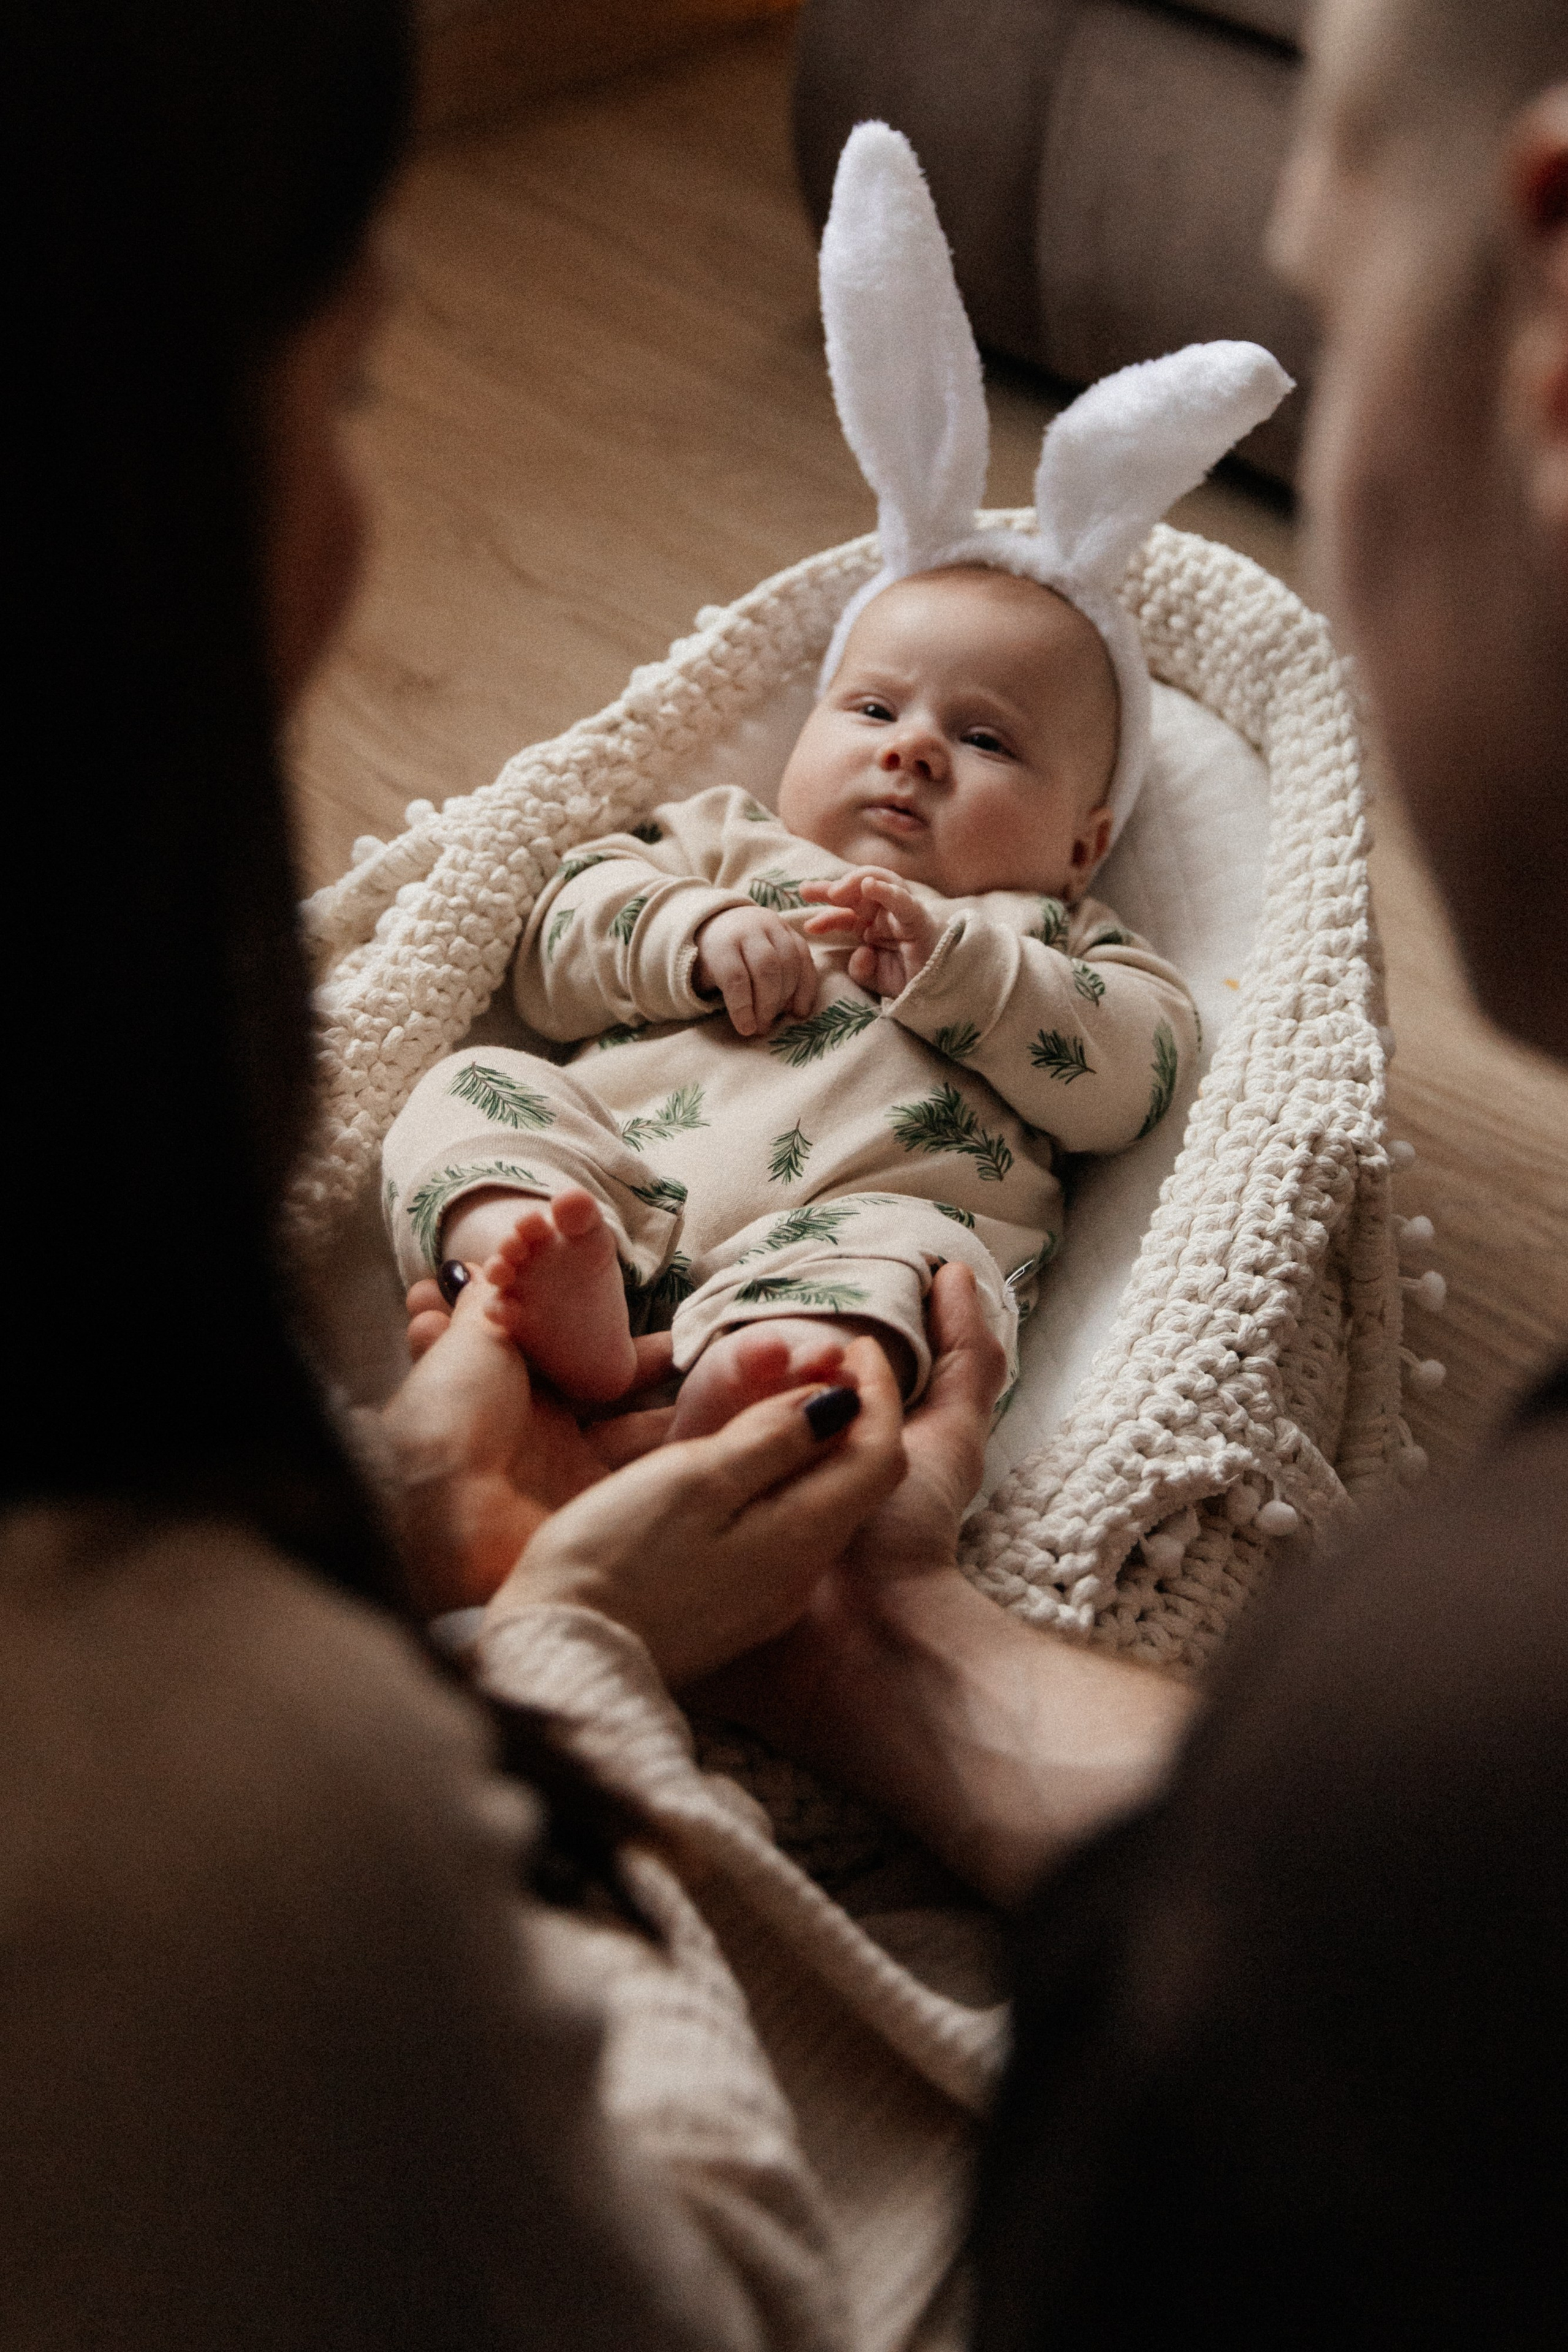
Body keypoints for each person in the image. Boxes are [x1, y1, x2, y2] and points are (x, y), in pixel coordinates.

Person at [380, 562, 1197, 1440]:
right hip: (611, 1180)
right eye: (876, 710)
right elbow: (553, 950)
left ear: (1085, 843)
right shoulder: (729, 840)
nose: (912, 749)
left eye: (987, 741)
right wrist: (688, 931)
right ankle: (533, 1251)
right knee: (474, 1085)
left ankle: (767, 1376)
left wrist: (973, 976)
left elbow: (1138, 1079)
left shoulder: (1056, 937)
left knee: (935, 1273)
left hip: (840, 1245)